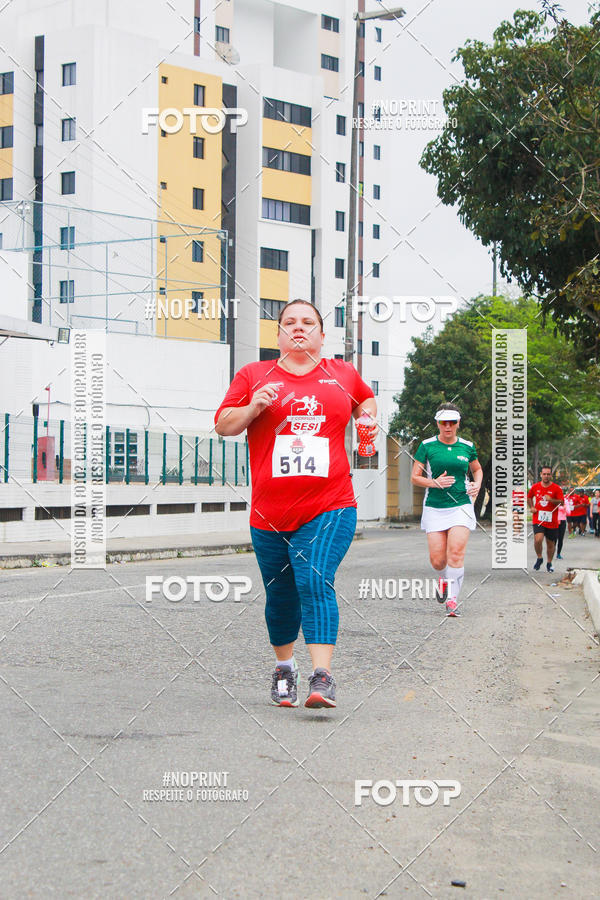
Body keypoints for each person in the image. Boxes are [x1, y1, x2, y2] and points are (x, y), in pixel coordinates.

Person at [214, 299, 377, 709]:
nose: (299, 328)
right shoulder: (254, 375)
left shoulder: (342, 374)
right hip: (269, 513)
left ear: (322, 334)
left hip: (331, 504)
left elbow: (366, 401)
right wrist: (254, 406)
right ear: (279, 335)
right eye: (289, 323)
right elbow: (223, 425)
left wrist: (366, 423)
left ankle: (322, 677)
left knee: (314, 578)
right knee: (281, 595)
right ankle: (284, 668)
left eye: (308, 323)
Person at [410, 403, 483, 617]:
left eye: (452, 422)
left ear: (458, 423)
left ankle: (452, 599)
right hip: (435, 506)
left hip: (461, 504)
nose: (448, 426)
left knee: (456, 553)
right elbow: (415, 476)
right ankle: (442, 578)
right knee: (438, 560)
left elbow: (476, 469)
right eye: (444, 422)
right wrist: (435, 483)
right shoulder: (427, 445)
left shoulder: (467, 446)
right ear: (438, 423)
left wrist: (477, 483)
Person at [527, 466, 564, 572]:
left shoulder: (556, 488)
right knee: (538, 539)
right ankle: (539, 557)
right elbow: (529, 497)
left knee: (550, 544)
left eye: (548, 474)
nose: (546, 476)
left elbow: (562, 502)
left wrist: (551, 500)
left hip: (552, 519)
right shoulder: (535, 486)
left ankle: (549, 562)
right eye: (544, 474)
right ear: (540, 475)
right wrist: (532, 507)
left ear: (551, 475)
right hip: (538, 518)